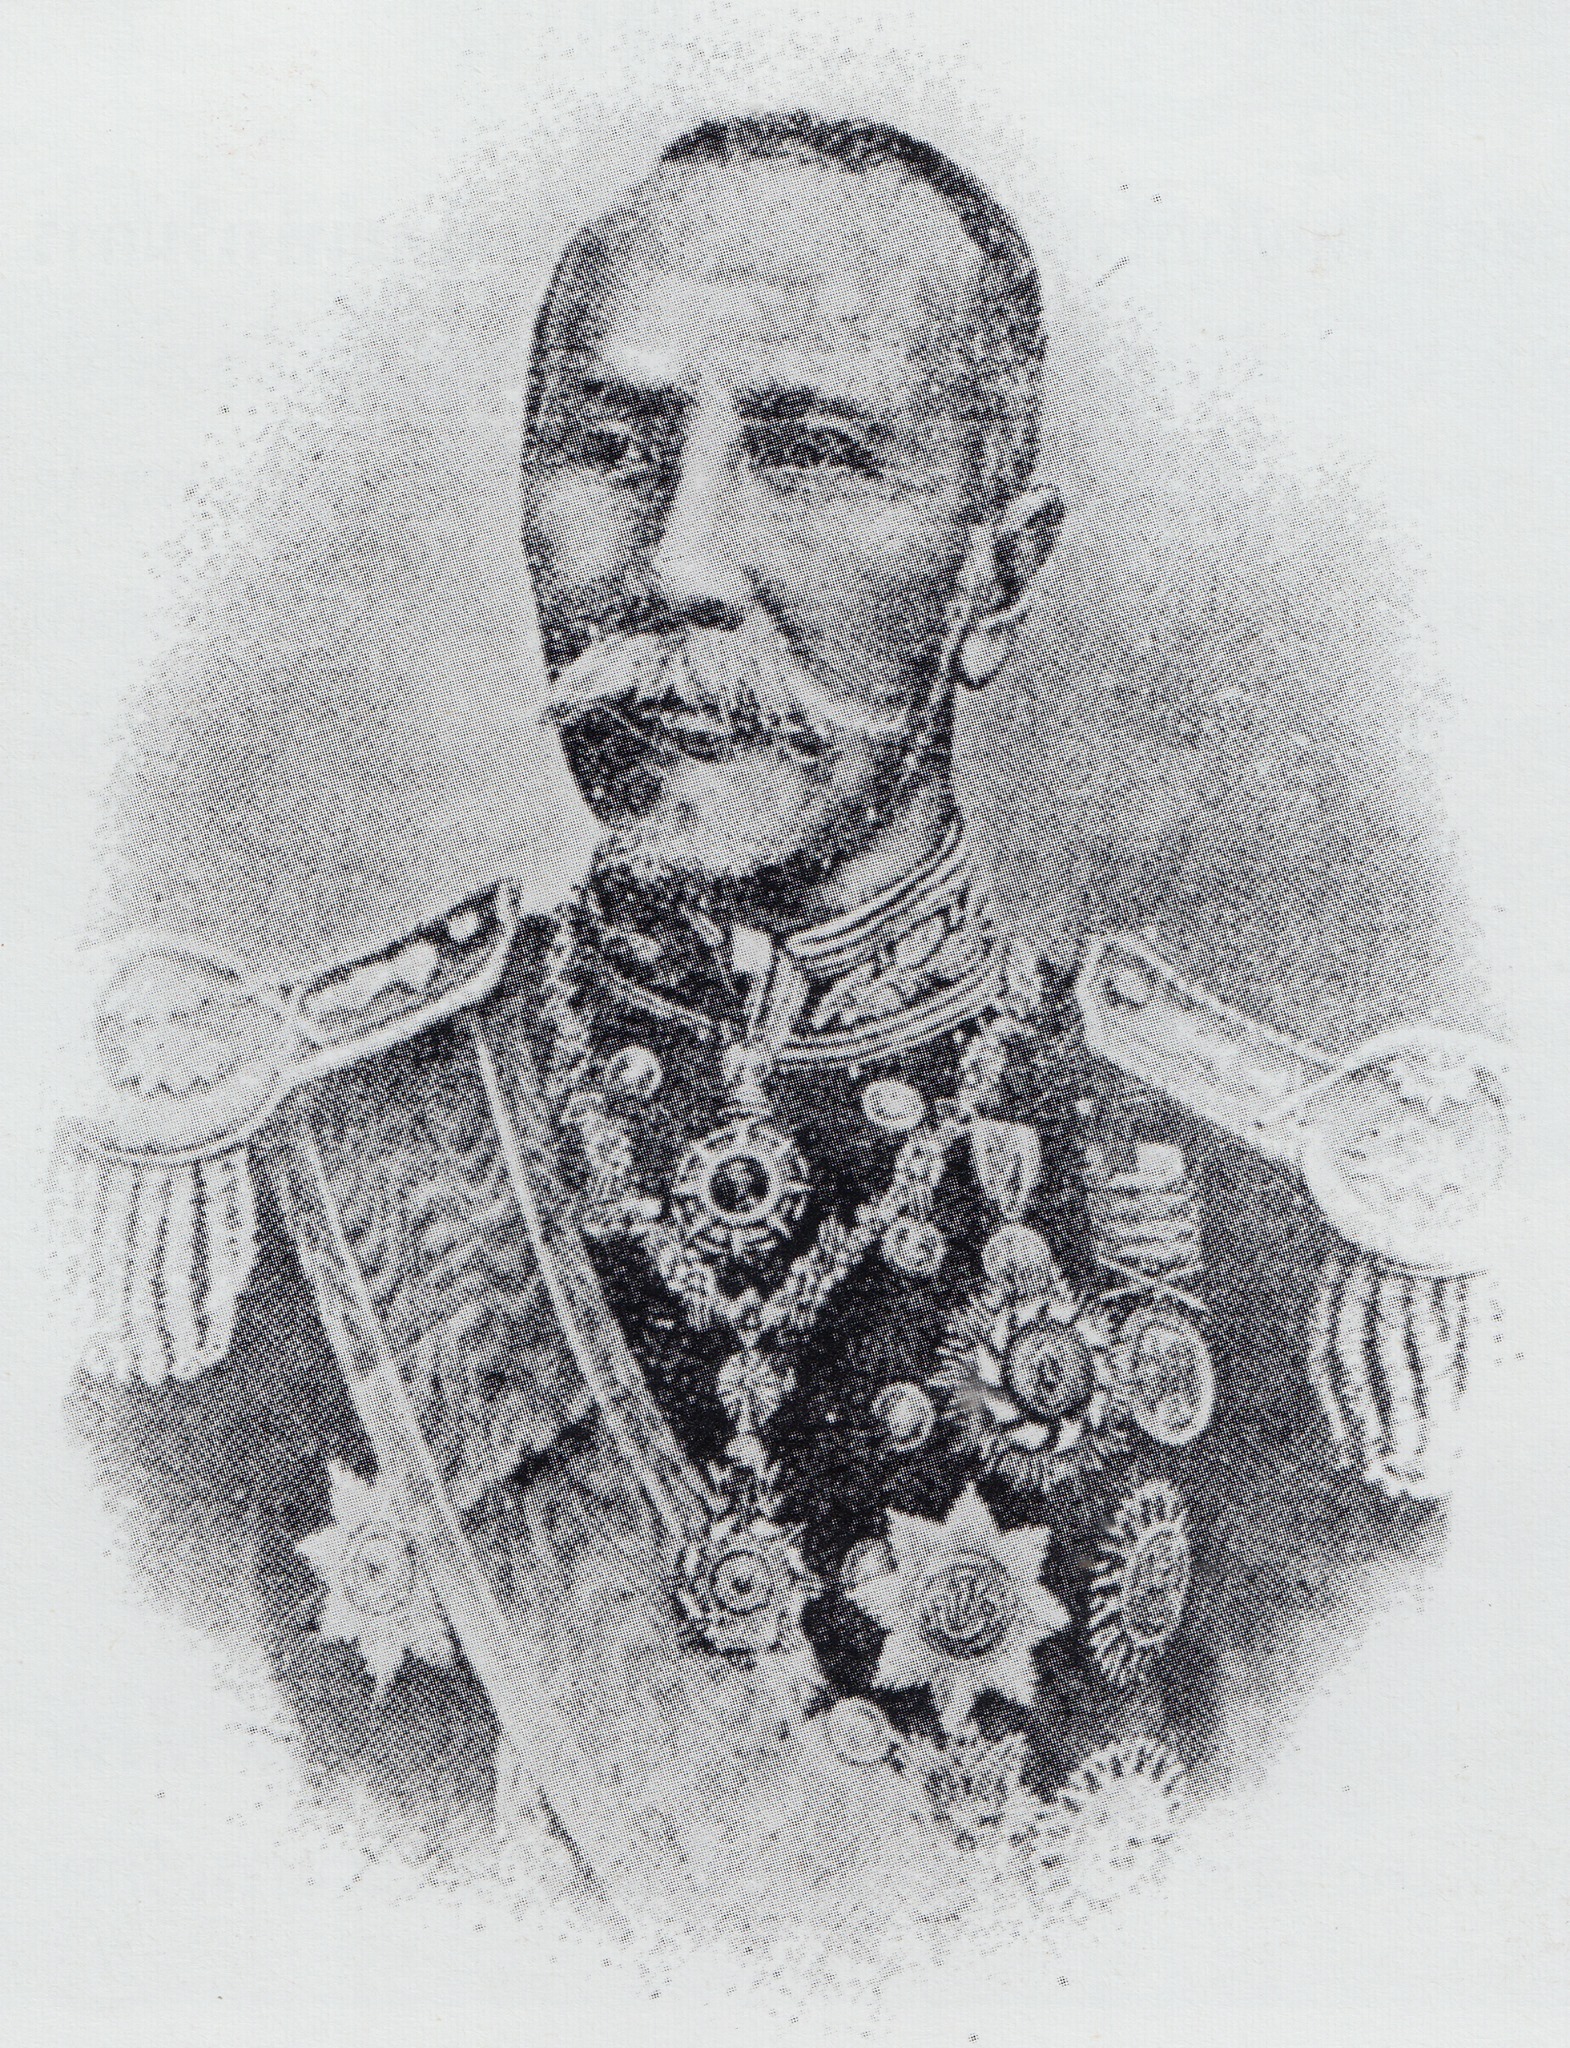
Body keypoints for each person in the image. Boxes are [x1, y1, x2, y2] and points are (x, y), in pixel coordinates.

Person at [59, 112, 1503, 1936]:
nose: (677, 558)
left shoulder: (1284, 1245)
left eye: (812, 456)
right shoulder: (267, 1193)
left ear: (998, 575)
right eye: (607, 447)